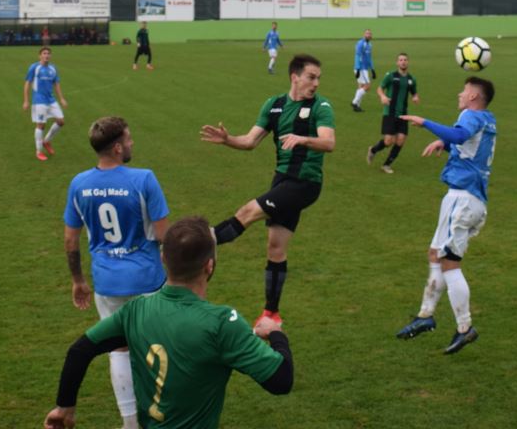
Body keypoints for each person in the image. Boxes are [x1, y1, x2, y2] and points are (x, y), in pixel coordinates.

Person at [43, 216, 293, 429]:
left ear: (163, 258)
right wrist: (276, 335)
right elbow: (281, 380)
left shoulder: (135, 311)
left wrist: (65, 408)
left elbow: (80, 351)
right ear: (209, 266)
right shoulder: (222, 323)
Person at [200, 54, 335, 326]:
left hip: (305, 183)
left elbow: (328, 142)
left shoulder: (321, 106)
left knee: (248, 211)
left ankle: (202, 243)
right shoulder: (274, 105)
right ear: (294, 77)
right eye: (311, 77)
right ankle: (271, 313)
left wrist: (303, 139)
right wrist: (227, 139)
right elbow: (250, 141)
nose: (316, 83)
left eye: (318, 78)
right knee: (275, 248)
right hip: (282, 181)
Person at [63, 116, 170, 428]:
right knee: (158, 347)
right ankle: (162, 413)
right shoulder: (144, 179)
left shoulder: (79, 184)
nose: (133, 142)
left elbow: (71, 240)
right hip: (148, 280)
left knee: (119, 351)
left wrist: (78, 280)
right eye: (129, 138)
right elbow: (164, 235)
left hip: (107, 283)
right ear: (118, 148)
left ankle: (130, 422)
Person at [397, 76, 497, 354]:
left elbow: (461, 135)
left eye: (464, 91)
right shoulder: (488, 119)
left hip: (462, 199)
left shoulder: (470, 116)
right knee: (435, 254)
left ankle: (465, 328)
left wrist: (425, 122)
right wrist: (445, 143)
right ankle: (425, 315)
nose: (459, 94)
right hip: (468, 199)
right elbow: (468, 143)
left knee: (450, 263)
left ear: (473, 97)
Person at [367, 53, 420, 174]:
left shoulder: (411, 79)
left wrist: (415, 97)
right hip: (390, 113)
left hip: (403, 114)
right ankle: (373, 150)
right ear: (397, 63)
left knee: (401, 140)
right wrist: (383, 96)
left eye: (405, 60)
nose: (403, 62)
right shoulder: (391, 76)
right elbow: (380, 88)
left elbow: (414, 92)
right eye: (400, 60)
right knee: (388, 141)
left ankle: (386, 165)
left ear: (408, 62)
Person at [23, 47, 68, 161]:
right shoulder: (34, 67)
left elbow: (56, 84)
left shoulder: (53, 68)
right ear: (40, 56)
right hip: (39, 100)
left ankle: (46, 141)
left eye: (48, 53)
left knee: (61, 121)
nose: (46, 55)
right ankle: (39, 151)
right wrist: (26, 100)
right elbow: (27, 84)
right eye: (44, 53)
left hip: (51, 100)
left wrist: (61, 99)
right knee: (41, 125)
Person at [351, 29, 375, 112]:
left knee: (361, 87)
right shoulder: (360, 43)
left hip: (365, 68)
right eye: (367, 33)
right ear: (364, 35)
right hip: (361, 68)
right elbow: (358, 56)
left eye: (370, 34)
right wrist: (358, 69)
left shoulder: (369, 45)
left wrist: (372, 69)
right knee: (367, 86)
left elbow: (369, 58)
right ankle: (354, 102)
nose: (368, 35)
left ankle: (357, 106)